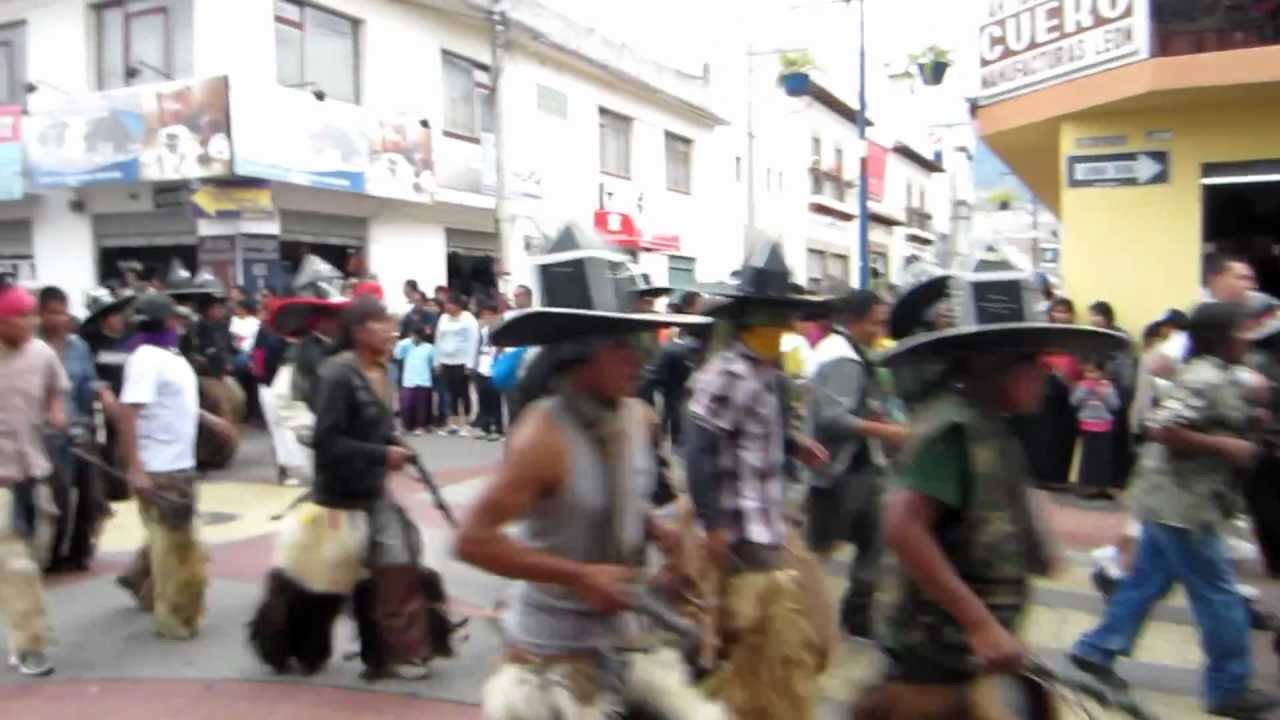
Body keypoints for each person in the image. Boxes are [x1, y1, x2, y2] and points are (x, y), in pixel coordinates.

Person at [454, 223, 722, 719]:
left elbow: (614, 492)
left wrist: (657, 531)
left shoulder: (636, 416)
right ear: (580, 350)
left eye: (642, 344)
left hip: (626, 642)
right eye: (624, 346)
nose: (640, 360)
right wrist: (577, 575)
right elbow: (472, 540)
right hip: (553, 664)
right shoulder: (543, 435)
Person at [854, 251, 1126, 718]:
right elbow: (903, 526)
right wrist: (979, 624)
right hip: (934, 661)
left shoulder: (992, 427)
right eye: (1033, 361)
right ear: (993, 365)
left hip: (971, 658)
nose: (1046, 372)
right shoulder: (951, 429)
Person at [1070, 302, 1280, 718]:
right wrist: (1227, 446)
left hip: (1173, 501)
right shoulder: (1203, 377)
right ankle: (1227, 687)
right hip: (1184, 505)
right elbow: (1160, 426)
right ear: (1222, 337)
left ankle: (1095, 650)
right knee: (1219, 595)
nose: (1246, 338)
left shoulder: (1217, 374)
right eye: (1240, 331)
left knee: (1147, 582)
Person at [249, 297, 458, 680]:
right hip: (338, 498)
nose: (392, 331)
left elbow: (375, 426)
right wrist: (382, 454)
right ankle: (290, 645)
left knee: (398, 566)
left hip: (374, 493)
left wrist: (395, 445)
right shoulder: (336, 374)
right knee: (315, 585)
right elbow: (327, 441)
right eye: (383, 325)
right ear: (360, 331)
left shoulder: (380, 369)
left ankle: (397, 653)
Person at [684, 240, 831, 720]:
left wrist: (795, 443)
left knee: (785, 643)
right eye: (768, 316)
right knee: (736, 643)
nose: (779, 326)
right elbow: (699, 450)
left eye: (782, 315)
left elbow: (759, 429)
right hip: (737, 535)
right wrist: (713, 524)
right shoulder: (722, 374)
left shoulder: (770, 375)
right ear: (747, 320)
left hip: (770, 525)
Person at [805, 288, 909, 639]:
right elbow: (833, 417)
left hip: (861, 468)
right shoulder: (841, 358)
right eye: (875, 322)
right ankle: (802, 614)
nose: (880, 329)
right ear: (854, 321)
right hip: (840, 471)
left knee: (874, 543)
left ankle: (857, 614)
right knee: (818, 550)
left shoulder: (853, 352)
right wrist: (886, 431)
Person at [114, 293, 207, 640]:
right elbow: (129, 412)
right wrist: (136, 468)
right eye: (176, 319)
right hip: (161, 467)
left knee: (168, 538)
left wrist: (210, 420)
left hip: (179, 462)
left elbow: (175, 403)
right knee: (175, 546)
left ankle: (140, 581)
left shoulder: (170, 356)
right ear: (167, 322)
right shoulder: (146, 358)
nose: (181, 324)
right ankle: (173, 618)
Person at [0, 282, 68, 676]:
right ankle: (31, 645)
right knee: (17, 565)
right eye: (19, 317)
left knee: (37, 554)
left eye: (31, 315)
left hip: (34, 470)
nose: (30, 322)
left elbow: (57, 388)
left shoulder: (42, 353)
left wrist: (56, 411)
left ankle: (20, 625)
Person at [36, 286, 112, 572]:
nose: (60, 318)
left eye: (63, 311)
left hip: (80, 427)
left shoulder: (78, 346)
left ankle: (81, 550)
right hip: (47, 433)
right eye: (53, 312)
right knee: (59, 495)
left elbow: (87, 382)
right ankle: (53, 553)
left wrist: (100, 393)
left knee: (92, 493)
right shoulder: (31, 347)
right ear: (41, 314)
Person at [1072, 356, 1122, 500]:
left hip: (1104, 427)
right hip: (1087, 426)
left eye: (1093, 372)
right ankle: (1086, 487)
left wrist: (1104, 394)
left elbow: (1115, 405)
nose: (1090, 376)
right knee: (1087, 459)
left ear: (1101, 372)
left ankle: (1102, 488)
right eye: (1087, 372)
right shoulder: (1082, 385)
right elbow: (1074, 401)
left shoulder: (1108, 386)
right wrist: (1083, 390)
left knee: (1103, 460)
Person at [434, 291, 479, 436]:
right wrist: (437, 360)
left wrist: (470, 363)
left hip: (462, 360)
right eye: (446, 304)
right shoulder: (443, 318)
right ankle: (453, 423)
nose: (447, 307)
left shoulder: (468, 318)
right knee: (451, 393)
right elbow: (438, 339)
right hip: (446, 360)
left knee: (463, 392)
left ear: (458, 305)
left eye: (450, 304)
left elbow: (474, 340)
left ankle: (466, 424)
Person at [394, 324, 434, 436]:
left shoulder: (429, 348)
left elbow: (432, 364)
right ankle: (405, 426)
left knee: (422, 405)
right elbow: (397, 355)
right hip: (409, 379)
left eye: (415, 335)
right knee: (406, 404)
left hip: (423, 379)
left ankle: (421, 426)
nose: (413, 337)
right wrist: (405, 341)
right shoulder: (406, 345)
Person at [472, 303, 504, 441]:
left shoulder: (501, 329)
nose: (487, 318)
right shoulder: (481, 330)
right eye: (484, 315)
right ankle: (484, 426)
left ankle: (497, 427)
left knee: (494, 398)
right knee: (483, 397)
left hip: (495, 364)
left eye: (490, 315)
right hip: (482, 364)